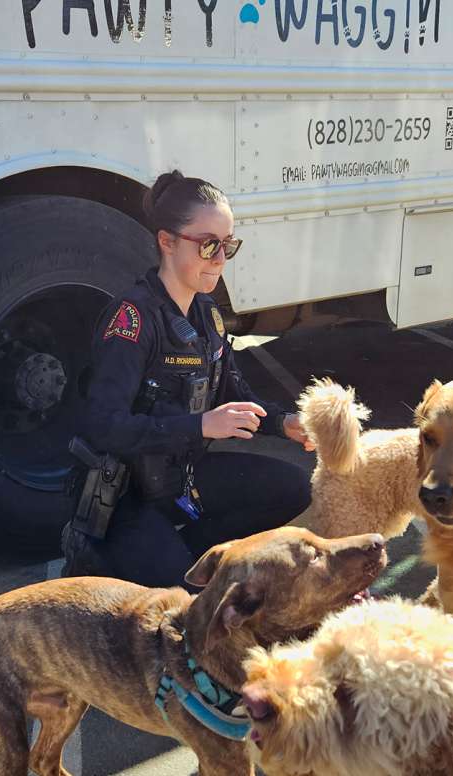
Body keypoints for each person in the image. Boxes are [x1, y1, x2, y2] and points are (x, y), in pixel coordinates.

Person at [61, 170, 314, 587]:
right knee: (180, 615)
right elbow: (103, 427)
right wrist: (199, 425)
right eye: (208, 245)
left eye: (228, 245)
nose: (219, 259)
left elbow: (234, 392)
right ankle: (111, 558)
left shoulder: (207, 314)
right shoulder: (132, 320)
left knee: (294, 487)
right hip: (124, 497)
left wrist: (282, 423)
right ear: (167, 241)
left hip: (179, 481)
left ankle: (188, 563)